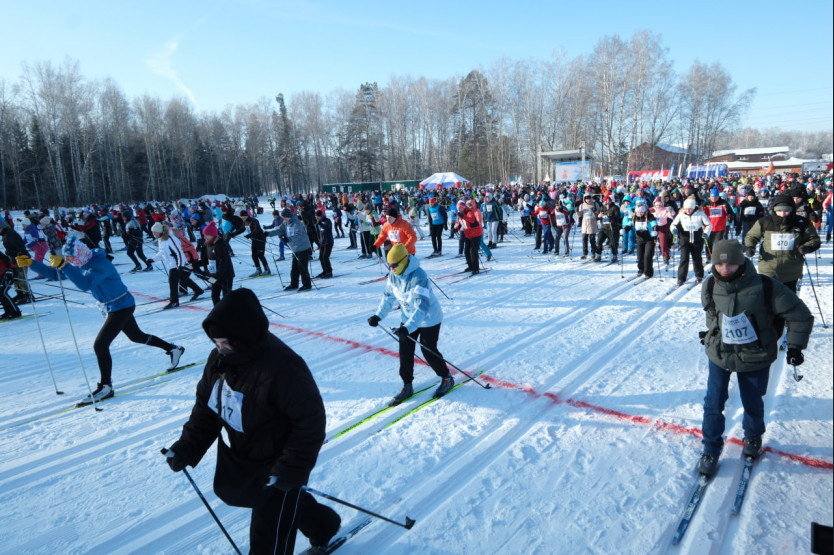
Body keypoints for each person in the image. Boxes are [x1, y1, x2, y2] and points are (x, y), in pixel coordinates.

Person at [164, 288, 341, 554]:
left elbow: (310, 422)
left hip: (279, 460)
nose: (220, 350)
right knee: (282, 503)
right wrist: (187, 447)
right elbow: (207, 410)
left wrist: (289, 470)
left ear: (245, 336)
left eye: (226, 343)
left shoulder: (283, 367)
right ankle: (322, 523)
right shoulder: (219, 360)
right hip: (245, 456)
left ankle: (309, 516)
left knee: (267, 536)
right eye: (216, 343)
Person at [17, 236, 184, 404]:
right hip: (113, 306)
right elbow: (56, 275)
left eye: (70, 257)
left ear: (79, 254)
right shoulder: (82, 263)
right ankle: (173, 349)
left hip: (122, 306)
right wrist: (32, 263)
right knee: (136, 336)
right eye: (66, 258)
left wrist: (64, 265)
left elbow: (85, 284)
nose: (69, 261)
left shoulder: (100, 265)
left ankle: (106, 386)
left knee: (100, 345)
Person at [696, 240, 812, 476]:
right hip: (720, 353)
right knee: (713, 402)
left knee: (752, 400)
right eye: (719, 264)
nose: (724, 269)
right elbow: (712, 312)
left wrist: (795, 346)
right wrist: (712, 333)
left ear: (741, 262)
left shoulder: (765, 286)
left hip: (755, 354)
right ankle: (710, 449)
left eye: (730, 263)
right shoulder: (710, 284)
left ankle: (753, 436)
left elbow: (800, 314)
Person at [368, 243, 455, 405]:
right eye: (389, 265)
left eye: (394, 265)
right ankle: (407, 385)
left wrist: (407, 328)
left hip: (429, 318)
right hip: (408, 317)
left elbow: (422, 307)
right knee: (405, 350)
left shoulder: (419, 276)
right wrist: (378, 316)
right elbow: (388, 297)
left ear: (403, 261)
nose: (391, 269)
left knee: (428, 350)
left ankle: (446, 377)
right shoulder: (393, 275)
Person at [149, 222, 204, 309]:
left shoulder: (170, 239)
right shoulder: (161, 239)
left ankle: (174, 301)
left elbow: (179, 252)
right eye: (153, 232)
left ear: (160, 231)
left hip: (177, 263)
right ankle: (198, 290)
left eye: (155, 232)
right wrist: (153, 259)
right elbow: (162, 252)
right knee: (183, 278)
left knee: (172, 281)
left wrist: (180, 265)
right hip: (172, 263)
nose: (154, 234)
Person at [267, 208, 313, 291]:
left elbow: (298, 235)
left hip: (303, 247)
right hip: (295, 248)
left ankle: (307, 285)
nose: (283, 219)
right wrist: (268, 233)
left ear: (289, 216)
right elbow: (279, 230)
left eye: (285, 217)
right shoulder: (286, 222)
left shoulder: (296, 223)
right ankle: (294, 284)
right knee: (294, 268)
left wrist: (288, 239)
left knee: (302, 267)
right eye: (283, 217)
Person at [670, 198, 712, 286]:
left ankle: (699, 275)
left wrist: (706, 233)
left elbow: (708, 225)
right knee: (684, 258)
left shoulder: (700, 214)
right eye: (686, 209)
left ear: (693, 208)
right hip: (684, 239)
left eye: (690, 209)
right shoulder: (681, 214)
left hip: (697, 239)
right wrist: (673, 229)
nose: (688, 211)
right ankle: (681, 278)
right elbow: (673, 224)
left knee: (697, 258)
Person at [194, 221, 234, 306]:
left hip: (225, 275)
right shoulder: (208, 244)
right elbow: (206, 260)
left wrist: (217, 276)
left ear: (213, 235)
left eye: (206, 235)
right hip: (215, 275)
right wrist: (193, 265)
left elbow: (224, 263)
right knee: (215, 296)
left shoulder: (220, 245)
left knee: (226, 298)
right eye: (204, 235)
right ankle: (219, 312)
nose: (204, 237)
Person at [241, 210, 271, 277]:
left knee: (260, 255)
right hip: (254, 240)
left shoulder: (254, 221)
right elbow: (242, 229)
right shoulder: (244, 222)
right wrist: (233, 234)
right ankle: (258, 270)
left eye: (244, 216)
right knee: (254, 255)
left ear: (247, 216)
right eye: (242, 217)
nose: (243, 218)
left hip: (260, 239)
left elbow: (257, 229)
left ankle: (267, 269)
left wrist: (249, 235)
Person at [632, 200, 658, 278]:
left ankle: (648, 272)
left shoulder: (650, 216)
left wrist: (654, 231)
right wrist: (624, 229)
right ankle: (641, 269)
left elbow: (654, 224)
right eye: (638, 212)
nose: (639, 214)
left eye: (641, 212)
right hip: (639, 239)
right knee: (640, 256)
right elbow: (630, 225)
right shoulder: (635, 217)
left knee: (647, 256)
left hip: (649, 239)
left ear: (644, 211)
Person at [576, 193, 600, 260]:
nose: (588, 200)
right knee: (584, 239)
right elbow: (580, 215)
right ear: (584, 199)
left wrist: (595, 212)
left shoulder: (595, 204)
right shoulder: (582, 205)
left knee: (592, 239)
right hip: (585, 224)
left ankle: (593, 252)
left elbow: (599, 213)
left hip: (592, 224)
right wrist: (577, 211)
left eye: (589, 198)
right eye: (587, 199)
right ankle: (585, 253)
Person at [0, 251, 21, 320]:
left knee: (3, 293)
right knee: (1, 294)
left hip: (8, 273)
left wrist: (9, 270)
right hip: (1, 275)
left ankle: (15, 312)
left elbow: (6, 259)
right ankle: (8, 312)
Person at [314, 210, 334, 278]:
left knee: (325, 257)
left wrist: (319, 223)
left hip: (328, 242)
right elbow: (318, 232)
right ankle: (325, 271)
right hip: (322, 242)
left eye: (318, 216)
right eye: (316, 217)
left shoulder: (327, 221)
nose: (317, 218)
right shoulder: (318, 222)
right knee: (321, 257)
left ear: (321, 216)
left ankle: (329, 271)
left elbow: (326, 227)